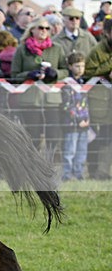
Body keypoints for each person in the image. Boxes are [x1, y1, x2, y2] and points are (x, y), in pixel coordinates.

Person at [10, 16, 67, 152]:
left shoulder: (57, 48)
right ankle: (33, 168)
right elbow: (14, 75)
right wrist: (28, 75)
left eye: (47, 28)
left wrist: (56, 73)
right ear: (32, 30)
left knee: (53, 136)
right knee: (33, 136)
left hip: (51, 100)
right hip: (30, 100)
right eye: (40, 28)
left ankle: (51, 167)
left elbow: (66, 70)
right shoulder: (22, 49)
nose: (44, 31)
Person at [85, 18, 112, 179]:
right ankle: (95, 171)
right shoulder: (96, 51)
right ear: (107, 33)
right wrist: (107, 71)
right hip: (99, 103)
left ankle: (104, 171)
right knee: (97, 138)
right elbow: (87, 72)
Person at [61, 52, 90, 181]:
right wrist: (78, 120)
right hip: (71, 123)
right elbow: (67, 105)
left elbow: (86, 104)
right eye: (77, 66)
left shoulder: (85, 82)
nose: (80, 69)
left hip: (84, 122)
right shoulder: (67, 84)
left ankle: (79, 174)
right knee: (69, 150)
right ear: (70, 67)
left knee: (81, 151)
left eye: (82, 66)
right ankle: (66, 175)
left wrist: (87, 119)